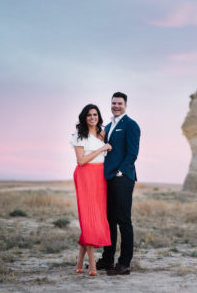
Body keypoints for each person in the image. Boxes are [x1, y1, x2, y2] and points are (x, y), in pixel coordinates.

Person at [96, 92, 141, 276]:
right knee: (109, 221)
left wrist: (120, 172)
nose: (116, 106)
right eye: (113, 103)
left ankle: (124, 264)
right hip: (108, 179)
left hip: (123, 178)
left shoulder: (131, 125)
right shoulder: (107, 126)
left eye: (119, 103)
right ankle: (108, 259)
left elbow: (132, 153)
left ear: (126, 105)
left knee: (124, 221)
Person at [70, 104, 113, 276]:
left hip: (100, 176)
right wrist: (102, 148)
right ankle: (92, 263)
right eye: (89, 115)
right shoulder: (79, 136)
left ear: (98, 116)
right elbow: (81, 161)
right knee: (88, 218)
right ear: (84, 117)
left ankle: (79, 263)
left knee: (97, 217)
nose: (92, 117)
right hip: (85, 175)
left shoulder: (102, 133)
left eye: (95, 114)